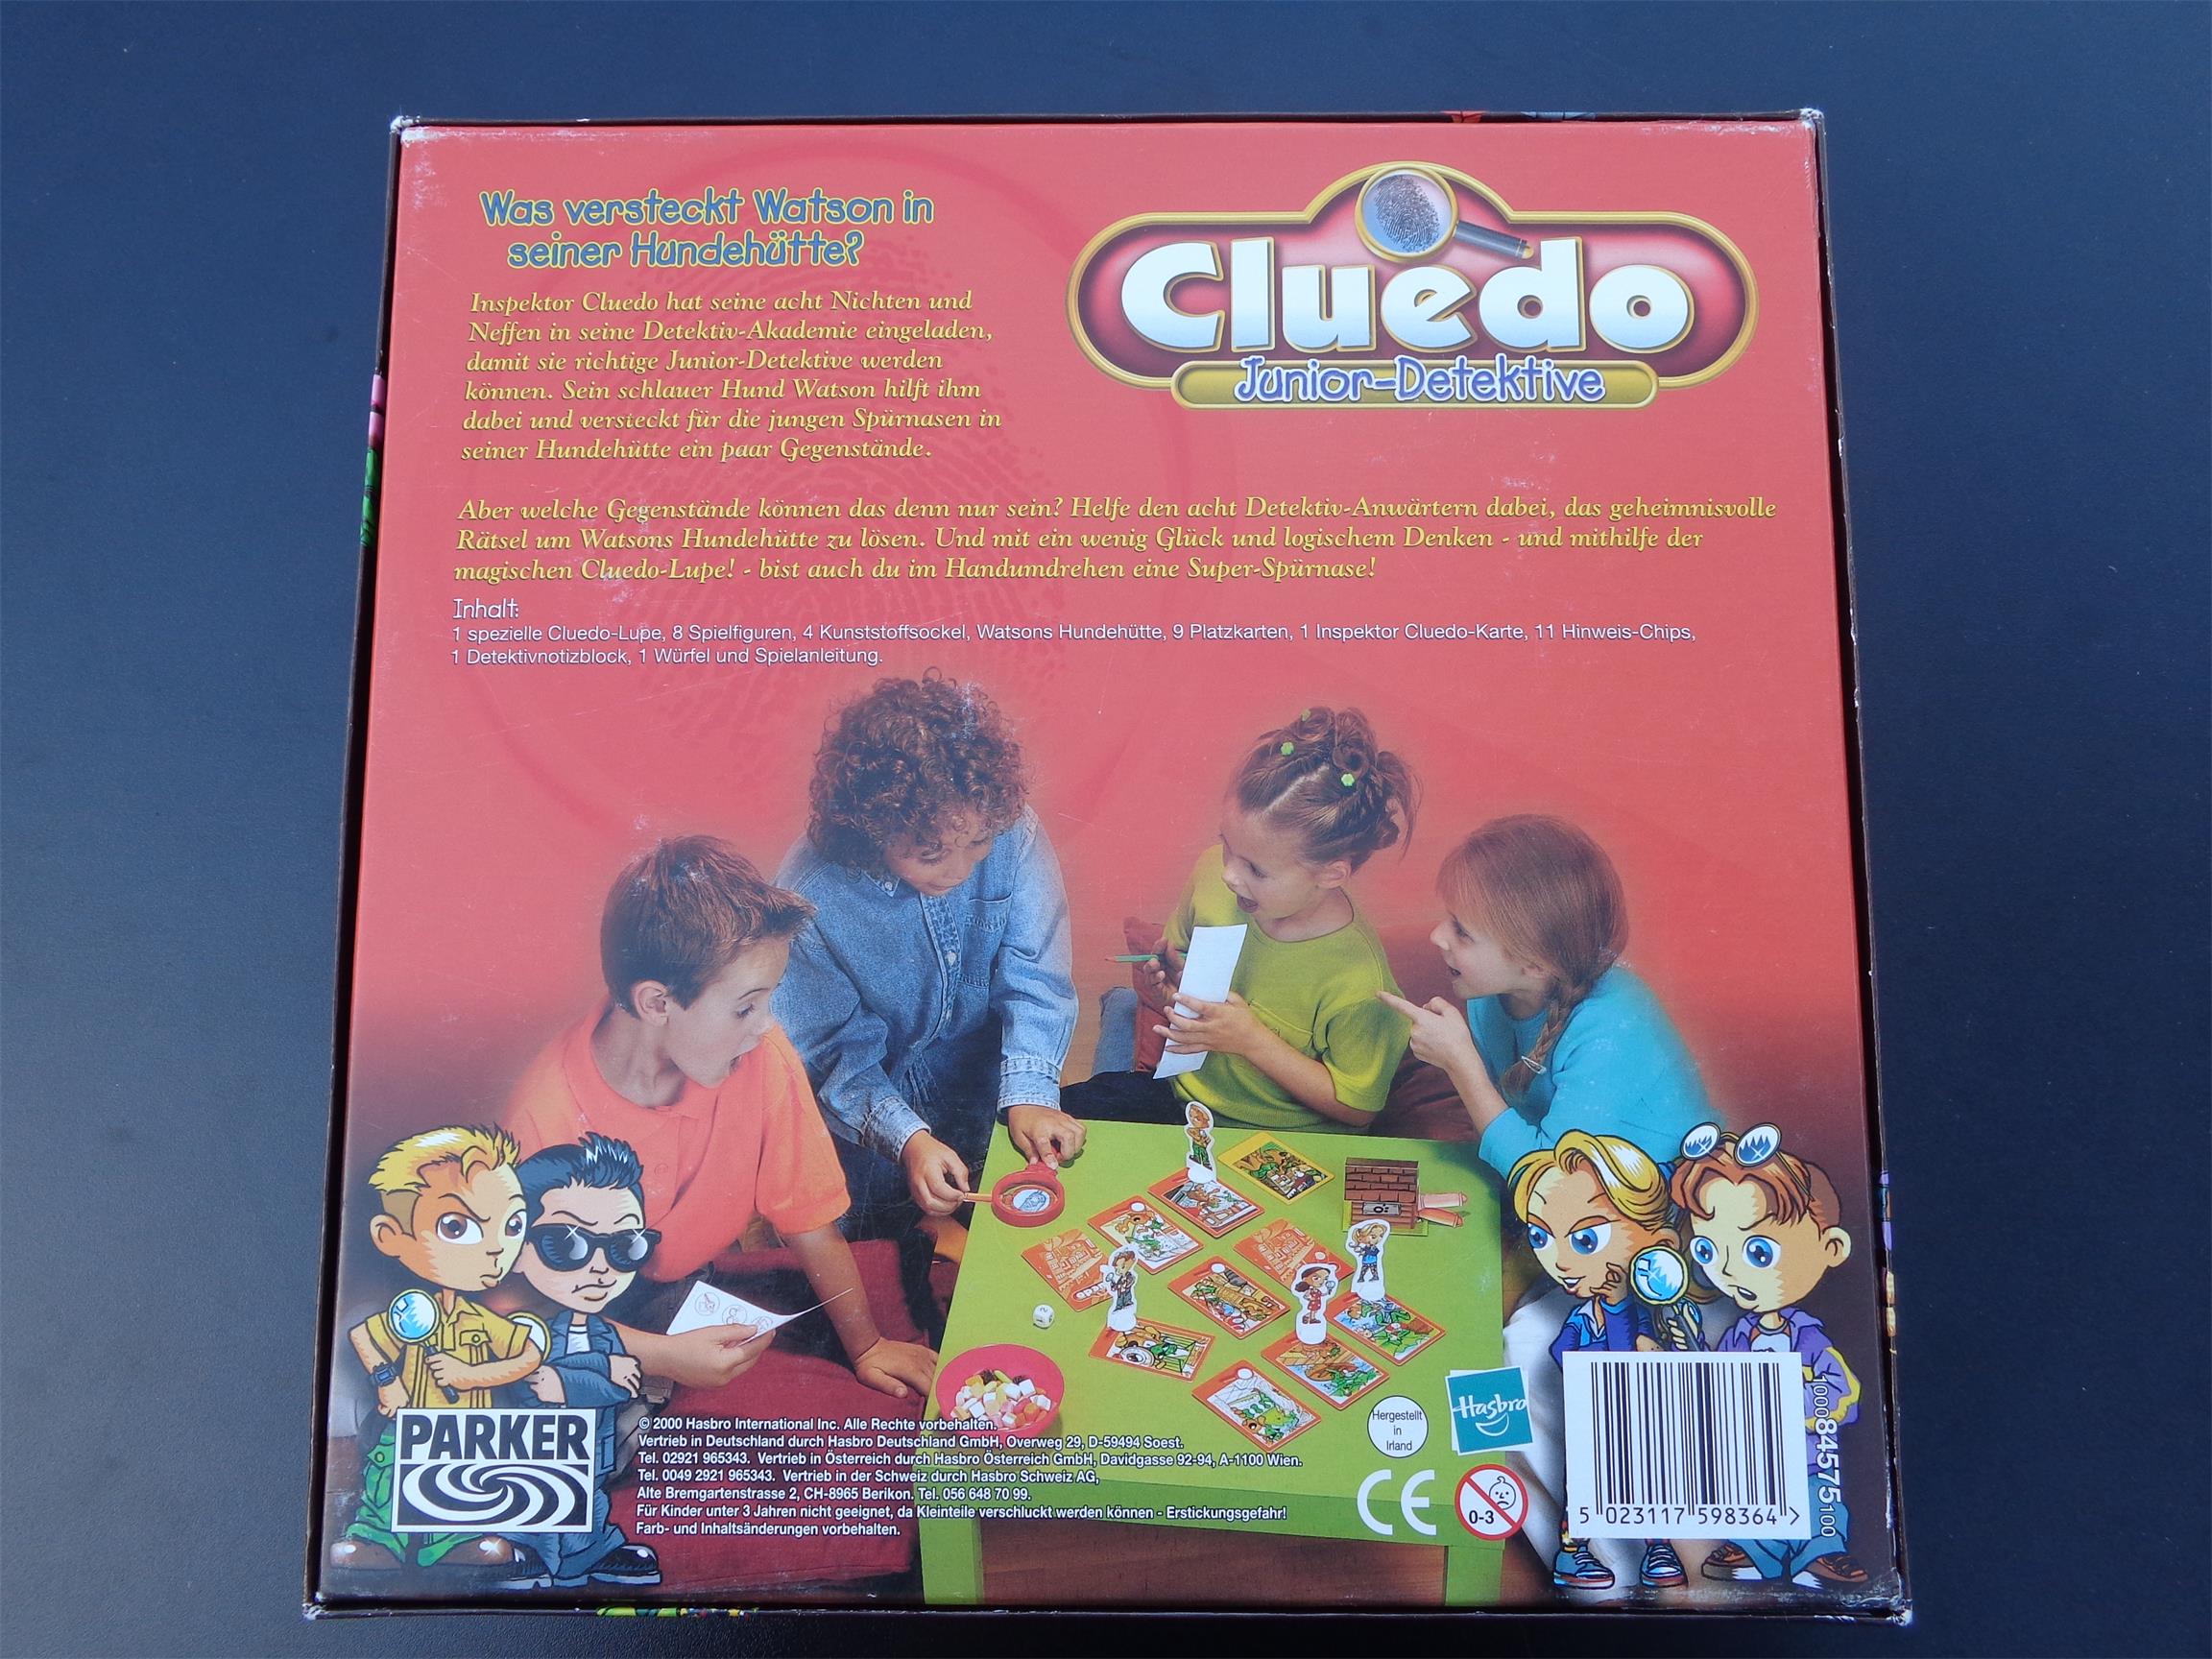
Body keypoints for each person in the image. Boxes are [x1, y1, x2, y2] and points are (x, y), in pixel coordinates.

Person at [498, 835, 936, 1401]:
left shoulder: (762, 1056)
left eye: (769, 1000)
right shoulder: (544, 1114)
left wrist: (868, 1346)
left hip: (684, 1290)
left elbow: (809, 1220)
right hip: (571, 1320)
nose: (765, 1025)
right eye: (745, 1006)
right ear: (657, 1003)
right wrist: (659, 1357)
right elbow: (515, 1310)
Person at [776, 674, 1084, 1239]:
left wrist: (1031, 1094)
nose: (961, 870)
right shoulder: (808, 893)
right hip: (865, 1110)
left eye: (979, 843)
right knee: (874, 1245)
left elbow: (1036, 976)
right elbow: (830, 1049)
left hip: (983, 1085)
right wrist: (907, 1138)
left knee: (1004, 1238)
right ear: (872, 830)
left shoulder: (1010, 827)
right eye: (931, 852)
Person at [1065, 706, 1416, 1134]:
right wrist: (1173, 984)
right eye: (1227, 846)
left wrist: (1251, 1041)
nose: (1230, 874)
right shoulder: (1214, 875)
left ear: (1331, 874)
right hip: (1183, 1100)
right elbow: (1180, 974)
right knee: (1052, 1116)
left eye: (1256, 869)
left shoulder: (1361, 983)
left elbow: (1357, 1110)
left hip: (1283, 1139)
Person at [1380, 814, 1711, 1178]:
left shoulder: (1611, 1030)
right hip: (1564, 1182)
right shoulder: (1488, 995)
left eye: (1462, 931)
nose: (1437, 936)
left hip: (1656, 1195)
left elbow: (1552, 1182)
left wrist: (1462, 1066)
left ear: (1535, 965)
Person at [331, 1126, 544, 1575]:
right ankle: (377, 1538)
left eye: (512, 1225)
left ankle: (453, 1543)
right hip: (408, 1426)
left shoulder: (480, 1319)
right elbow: (364, 1337)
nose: (495, 1248)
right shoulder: (411, 1309)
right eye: (456, 1226)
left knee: (465, 1484)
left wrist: (471, 1376)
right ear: (391, 1236)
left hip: (466, 1433)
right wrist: (386, 1381)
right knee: (389, 1475)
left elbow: (529, 1355)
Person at [1671, 1125, 1867, 1590]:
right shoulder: (1738, 1335)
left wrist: (1789, 1405)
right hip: (1752, 1458)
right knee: (1750, 1501)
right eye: (1708, 1250)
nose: (1729, 1270)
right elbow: (1718, 1382)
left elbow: (1844, 1393)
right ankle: (1754, 1551)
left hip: (1808, 1456)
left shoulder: (1808, 1337)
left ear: (1831, 1248)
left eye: (1757, 1252)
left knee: (1819, 1501)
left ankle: (1822, 1553)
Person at [1507, 1131, 1690, 1592]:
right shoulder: (1583, 1316)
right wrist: (1593, 1360)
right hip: (1594, 1414)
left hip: (1645, 1415)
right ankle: (1574, 1552)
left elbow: (1660, 1352)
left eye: (1586, 1239)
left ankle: (1658, 1546)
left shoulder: (1654, 1309)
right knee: (1585, 1486)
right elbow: (1561, 1351)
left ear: (1660, 1242)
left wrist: (1653, 1343)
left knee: (1651, 1479)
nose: (1560, 1262)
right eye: (1541, 1237)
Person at [499, 1134, 663, 1591]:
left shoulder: (604, 1333)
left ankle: (592, 1551)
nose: (601, 1267)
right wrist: (599, 1372)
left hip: (591, 1456)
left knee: (586, 1504)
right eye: (567, 1244)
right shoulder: (518, 1327)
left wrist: (579, 1379)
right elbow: (533, 1382)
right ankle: (521, 1550)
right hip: (524, 1457)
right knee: (526, 1498)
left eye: (626, 1246)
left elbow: (620, 1383)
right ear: (517, 1248)